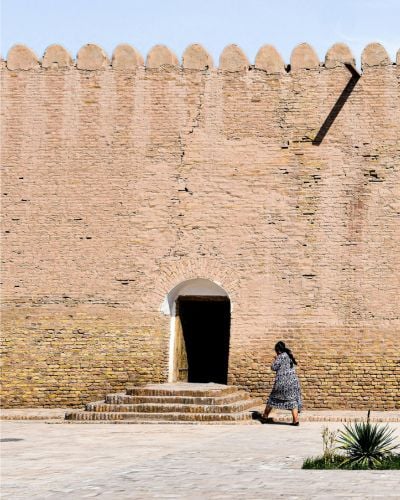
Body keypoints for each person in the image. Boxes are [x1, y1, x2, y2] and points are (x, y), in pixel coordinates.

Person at [262, 341, 302, 426]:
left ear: (278, 350)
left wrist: (275, 359)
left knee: (272, 399)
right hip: (293, 382)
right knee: (292, 401)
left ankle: (265, 417)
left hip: (282, 383)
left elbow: (273, 367)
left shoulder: (280, 356)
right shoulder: (289, 356)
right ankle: (296, 420)